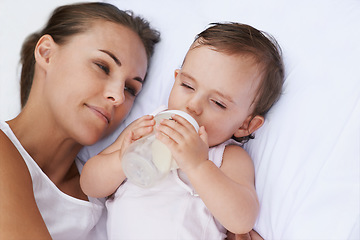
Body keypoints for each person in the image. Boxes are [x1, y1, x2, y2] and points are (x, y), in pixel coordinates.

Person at [80, 22, 284, 239]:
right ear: (176, 78)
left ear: (246, 125)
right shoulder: (148, 127)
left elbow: (242, 220)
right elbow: (89, 185)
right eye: (187, 86)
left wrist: (198, 165)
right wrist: (121, 159)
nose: (193, 105)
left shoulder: (227, 158)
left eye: (218, 103)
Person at [0, 2, 160, 239]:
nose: (117, 96)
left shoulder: (113, 197)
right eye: (102, 66)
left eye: (130, 88)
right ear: (46, 53)